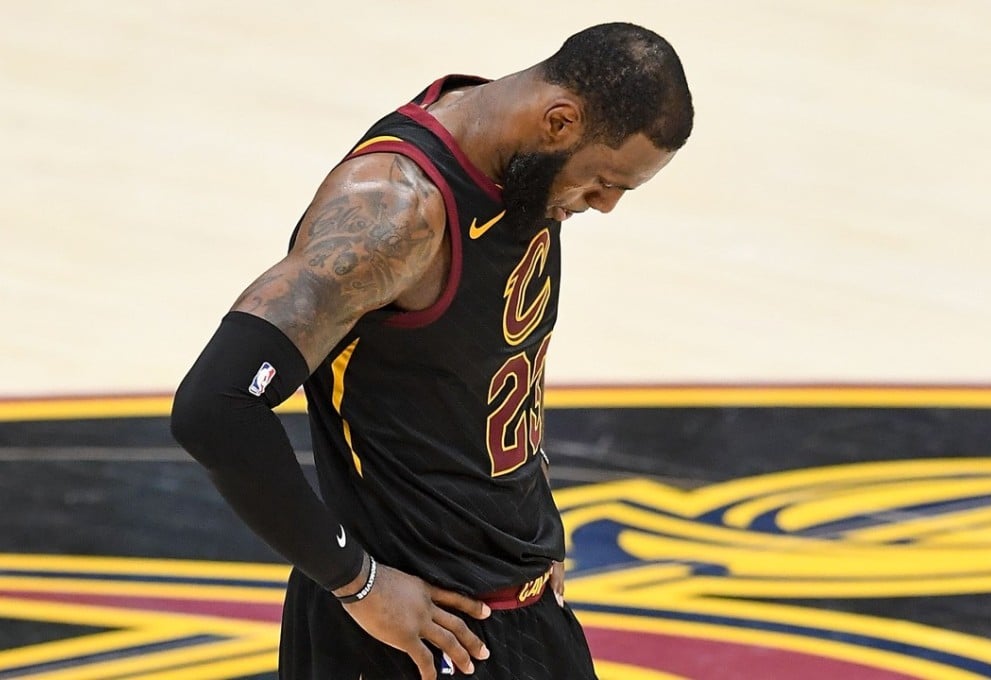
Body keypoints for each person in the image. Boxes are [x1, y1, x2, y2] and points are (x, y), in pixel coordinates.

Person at [171, 21, 693, 680]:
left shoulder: (524, 166)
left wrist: (534, 519)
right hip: (410, 632)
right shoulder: (396, 210)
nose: (608, 205)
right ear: (559, 121)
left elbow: (487, 362)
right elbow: (215, 407)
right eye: (607, 182)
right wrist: (355, 581)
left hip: (517, 606)